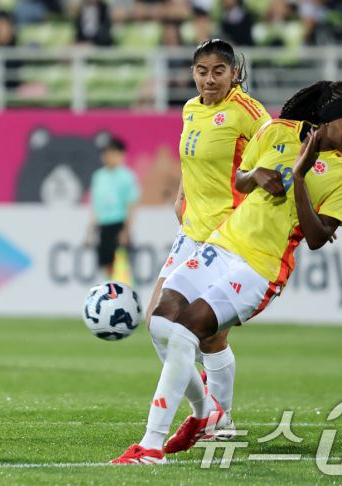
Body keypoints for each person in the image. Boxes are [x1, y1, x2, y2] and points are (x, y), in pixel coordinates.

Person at [112, 80, 342, 464]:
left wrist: (299, 178)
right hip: (222, 244)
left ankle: (151, 446)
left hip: (260, 266)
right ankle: (207, 413)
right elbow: (241, 179)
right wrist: (259, 176)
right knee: (161, 322)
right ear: (328, 118)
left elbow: (317, 237)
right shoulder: (278, 131)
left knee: (188, 330)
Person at [145, 38, 271, 438]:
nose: (210, 79)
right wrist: (181, 193)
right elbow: (192, 158)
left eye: (219, 71)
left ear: (234, 72)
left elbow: (275, 156)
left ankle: (220, 419)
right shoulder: (190, 109)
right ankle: (207, 411)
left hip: (229, 235)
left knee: (211, 336)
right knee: (157, 322)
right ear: (193, 73)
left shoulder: (249, 112)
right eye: (202, 71)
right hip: (190, 230)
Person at [85, 137, 140, 279]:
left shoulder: (127, 177)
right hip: (103, 226)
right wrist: (90, 232)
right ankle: (110, 289)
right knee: (105, 264)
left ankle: (123, 290)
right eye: (105, 153)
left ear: (120, 155)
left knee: (122, 265)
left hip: (119, 225)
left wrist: (126, 231)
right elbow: (95, 206)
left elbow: (131, 206)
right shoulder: (99, 176)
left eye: (111, 153)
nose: (107, 156)